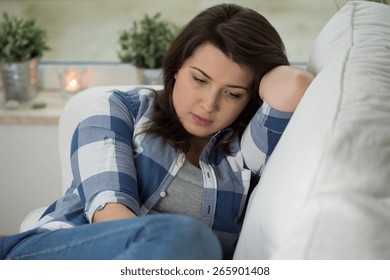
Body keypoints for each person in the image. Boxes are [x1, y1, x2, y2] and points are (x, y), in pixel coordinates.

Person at [1, 3, 314, 260]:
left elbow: (295, 86)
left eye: (232, 93)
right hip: (60, 252)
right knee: (185, 236)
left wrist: (260, 71)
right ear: (177, 67)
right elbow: (109, 210)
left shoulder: (242, 154)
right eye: (200, 80)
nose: (208, 105)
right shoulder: (120, 107)